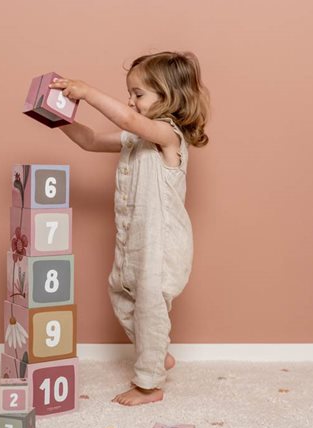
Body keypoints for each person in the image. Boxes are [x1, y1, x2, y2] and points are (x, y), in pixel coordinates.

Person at [48, 51, 210, 405]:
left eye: (138, 94)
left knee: (150, 306)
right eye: (130, 94)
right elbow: (89, 141)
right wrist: (59, 118)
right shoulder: (134, 139)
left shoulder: (168, 136)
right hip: (133, 241)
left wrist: (88, 92)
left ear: (168, 99)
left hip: (161, 244)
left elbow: (130, 122)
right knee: (120, 295)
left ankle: (148, 384)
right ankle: (156, 352)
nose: (130, 101)